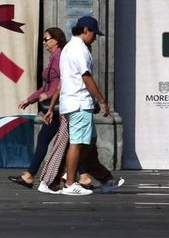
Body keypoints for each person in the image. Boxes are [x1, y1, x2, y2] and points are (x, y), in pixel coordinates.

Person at [48, 16, 122, 197]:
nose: (95, 38)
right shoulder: (79, 49)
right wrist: (102, 100)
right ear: (86, 30)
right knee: (78, 143)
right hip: (78, 102)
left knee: (89, 141)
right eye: (94, 34)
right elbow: (86, 77)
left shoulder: (68, 48)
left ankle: (71, 174)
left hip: (74, 101)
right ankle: (70, 182)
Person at [9, 27, 66, 188]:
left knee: (48, 140)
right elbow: (47, 85)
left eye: (46, 39)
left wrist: (48, 96)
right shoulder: (53, 57)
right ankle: (81, 176)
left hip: (58, 107)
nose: (44, 43)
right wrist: (30, 99)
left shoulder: (60, 57)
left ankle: (30, 175)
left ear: (56, 40)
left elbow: (60, 83)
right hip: (53, 106)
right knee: (64, 142)